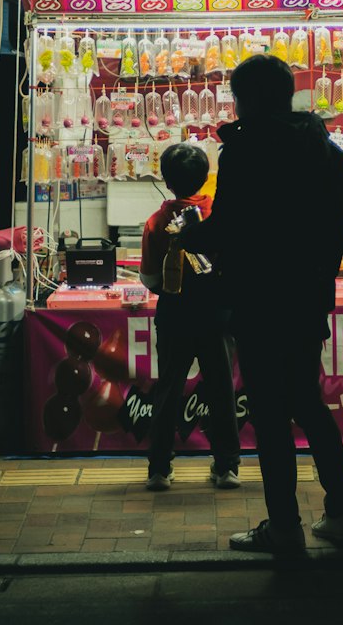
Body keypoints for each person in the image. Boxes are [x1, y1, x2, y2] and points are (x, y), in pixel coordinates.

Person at [181, 54, 343, 556]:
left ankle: (284, 526)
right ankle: (341, 513)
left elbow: (230, 226)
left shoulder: (246, 150)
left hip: (258, 297)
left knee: (271, 414)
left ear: (248, 99)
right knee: (307, 401)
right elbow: (335, 229)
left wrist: (192, 236)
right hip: (308, 296)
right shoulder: (328, 151)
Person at [139, 143, 241, 492]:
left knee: (168, 387)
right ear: (205, 177)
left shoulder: (157, 221)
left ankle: (159, 468)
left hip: (175, 313)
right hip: (217, 313)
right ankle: (227, 466)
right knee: (221, 387)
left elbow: (149, 279)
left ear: (167, 181)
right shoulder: (219, 214)